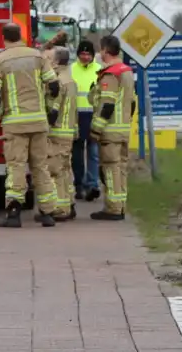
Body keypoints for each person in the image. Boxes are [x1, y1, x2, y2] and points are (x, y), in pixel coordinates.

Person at [0, 22, 60, 228]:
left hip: (14, 124)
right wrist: (45, 107)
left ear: (4, 38)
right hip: (38, 121)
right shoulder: (37, 57)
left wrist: (0, 114)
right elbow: (53, 86)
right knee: (41, 166)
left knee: (16, 167)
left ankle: (13, 213)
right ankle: (47, 213)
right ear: (21, 35)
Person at [88, 35, 136, 221]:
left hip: (111, 131)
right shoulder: (126, 71)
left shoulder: (111, 74)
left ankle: (113, 208)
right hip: (123, 129)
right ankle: (120, 205)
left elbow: (107, 105)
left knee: (110, 168)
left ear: (106, 51)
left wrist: (95, 130)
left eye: (101, 50)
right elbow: (131, 103)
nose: (100, 53)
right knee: (121, 168)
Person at [44, 46, 79, 221]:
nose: (47, 62)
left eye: (49, 59)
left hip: (57, 132)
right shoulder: (71, 80)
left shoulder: (58, 82)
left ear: (57, 62)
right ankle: (69, 202)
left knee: (55, 170)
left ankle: (60, 208)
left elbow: (53, 110)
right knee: (65, 169)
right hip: (69, 132)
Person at [70, 40, 101, 202]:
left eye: (88, 54)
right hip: (76, 115)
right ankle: (79, 184)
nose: (85, 57)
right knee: (77, 153)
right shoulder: (71, 69)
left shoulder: (99, 70)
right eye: (82, 54)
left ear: (93, 55)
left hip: (93, 116)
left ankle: (92, 184)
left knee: (94, 152)